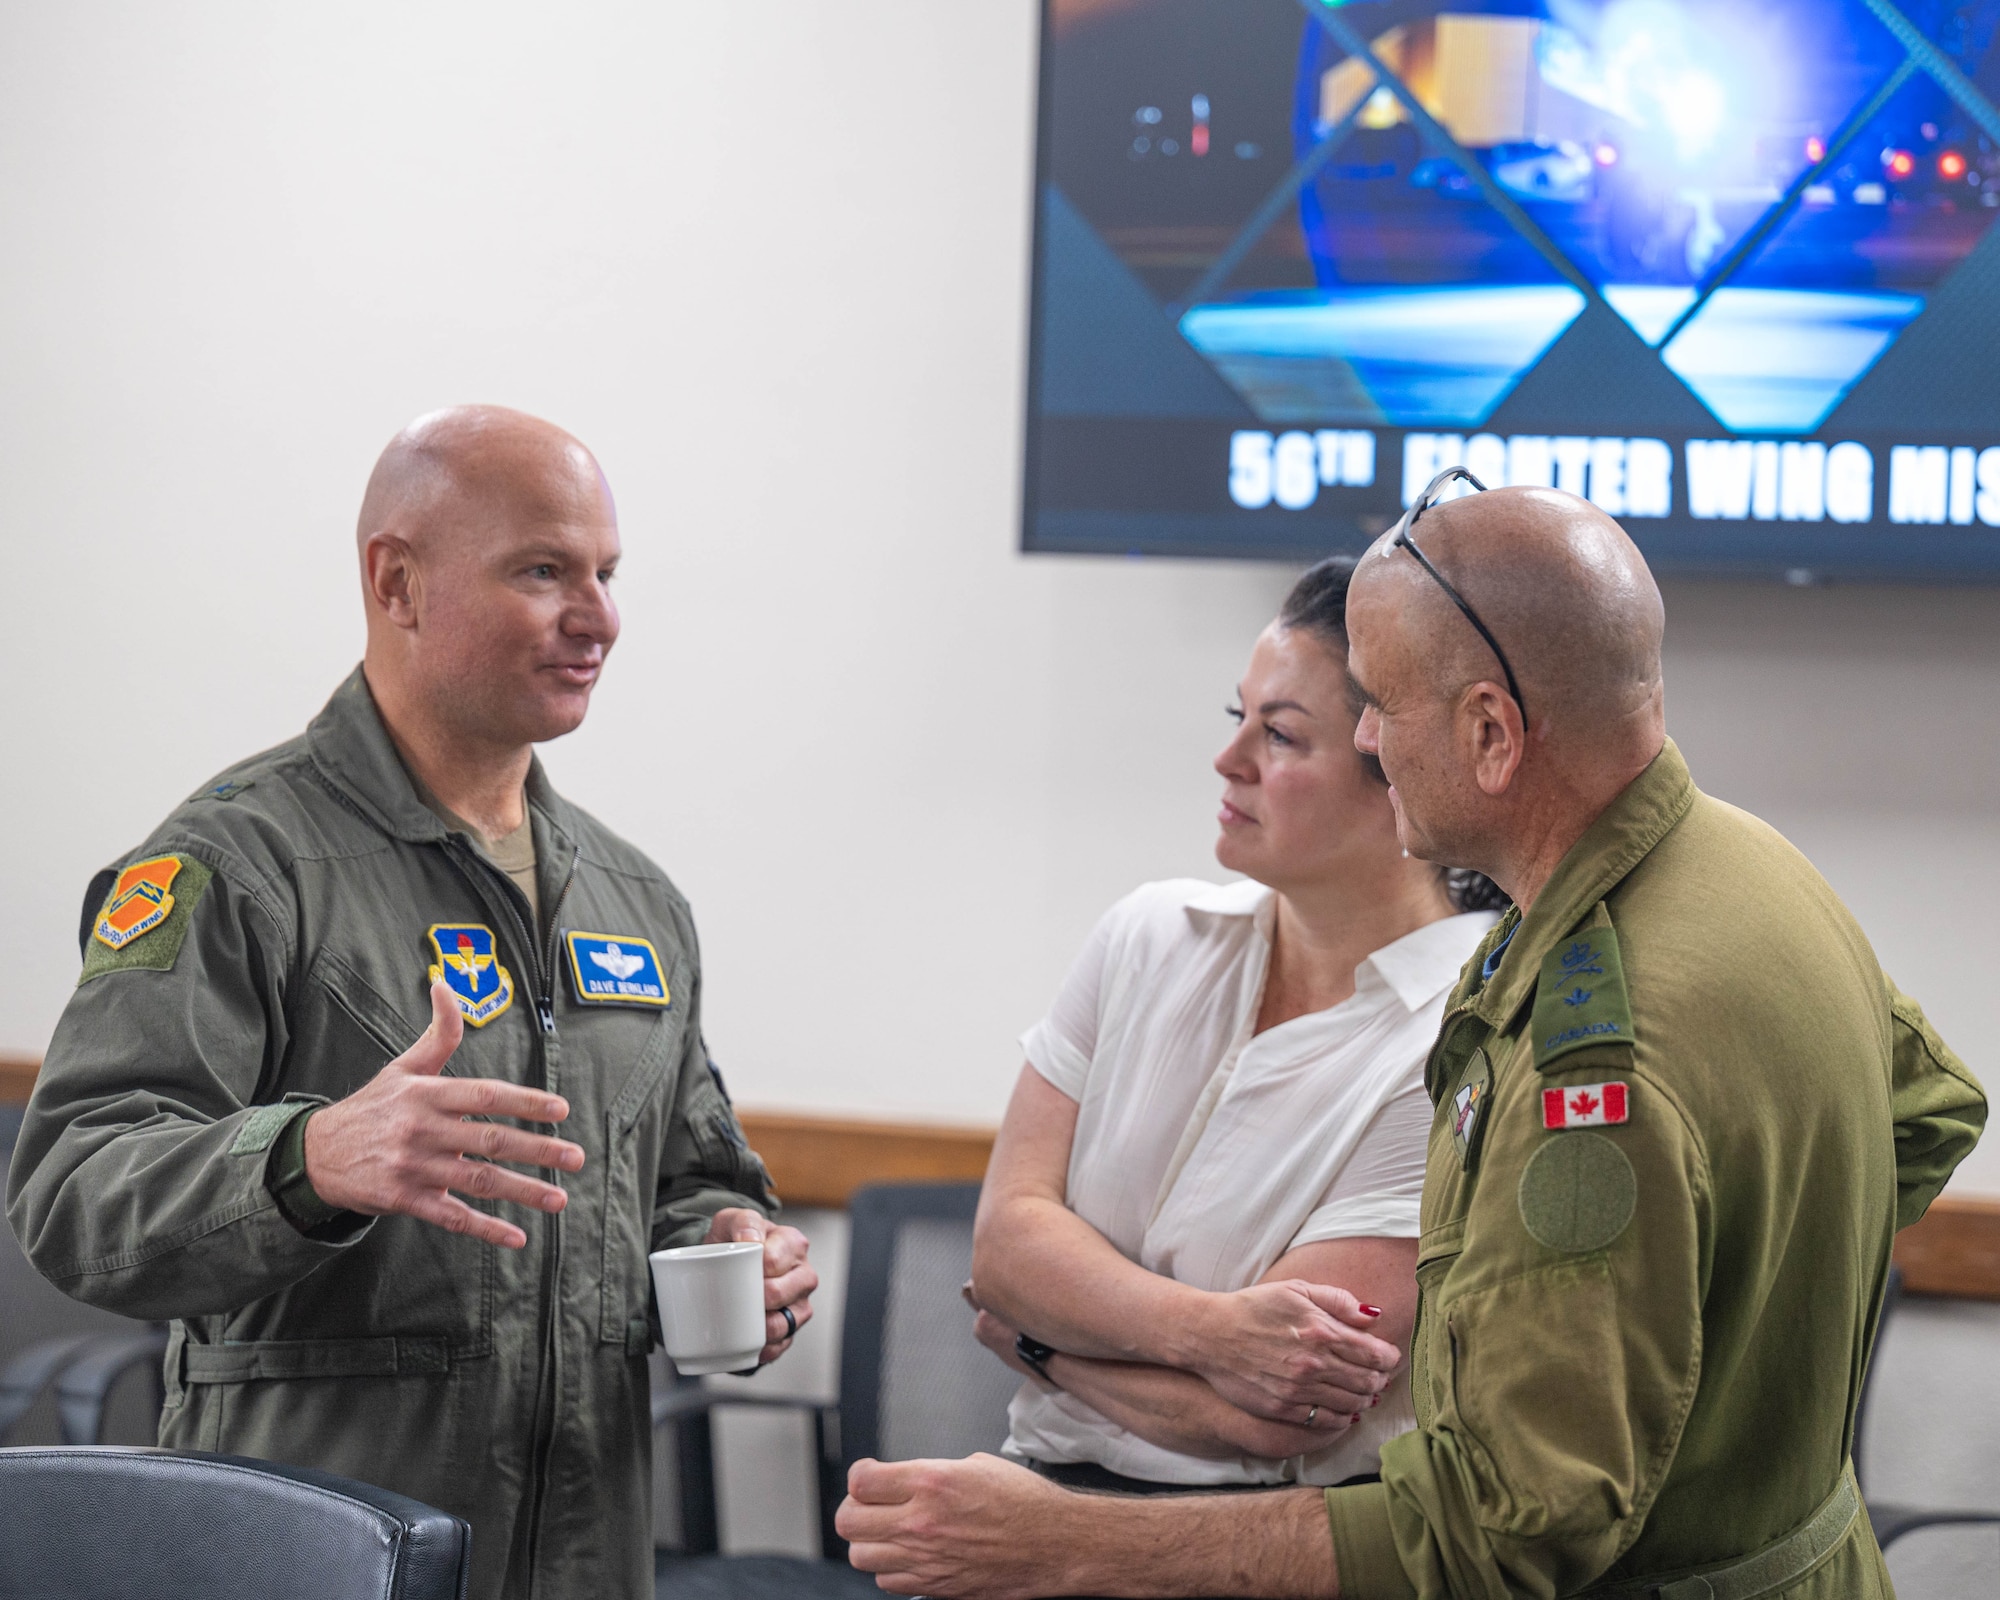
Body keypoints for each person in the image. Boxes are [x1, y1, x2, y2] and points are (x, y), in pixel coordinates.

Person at [835, 480, 1986, 1599]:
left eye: (1378, 708)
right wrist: (1729, 1351)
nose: (1372, 739)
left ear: (1490, 731)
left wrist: (1066, 1547)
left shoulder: (1586, 1066)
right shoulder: (1752, 867)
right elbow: (1928, 1112)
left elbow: (1496, 1535)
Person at [7, 406, 817, 1600]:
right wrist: (308, 1156)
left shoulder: (635, 898)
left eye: (605, 572)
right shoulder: (236, 862)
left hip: (582, 1566)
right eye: (543, 570)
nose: (597, 617)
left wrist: (731, 1247)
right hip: (309, 1563)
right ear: (396, 581)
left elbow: (685, 1179)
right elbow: (73, 1189)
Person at [967, 557, 1501, 1493]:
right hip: (1036, 1480)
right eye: (1237, 718)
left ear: (1403, 775)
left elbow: (1267, 1415)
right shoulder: (1144, 934)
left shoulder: (1468, 1028)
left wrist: (1048, 1346)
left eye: (1282, 736)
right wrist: (1213, 1336)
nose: (1230, 760)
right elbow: (1006, 1246)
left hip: (1257, 1541)